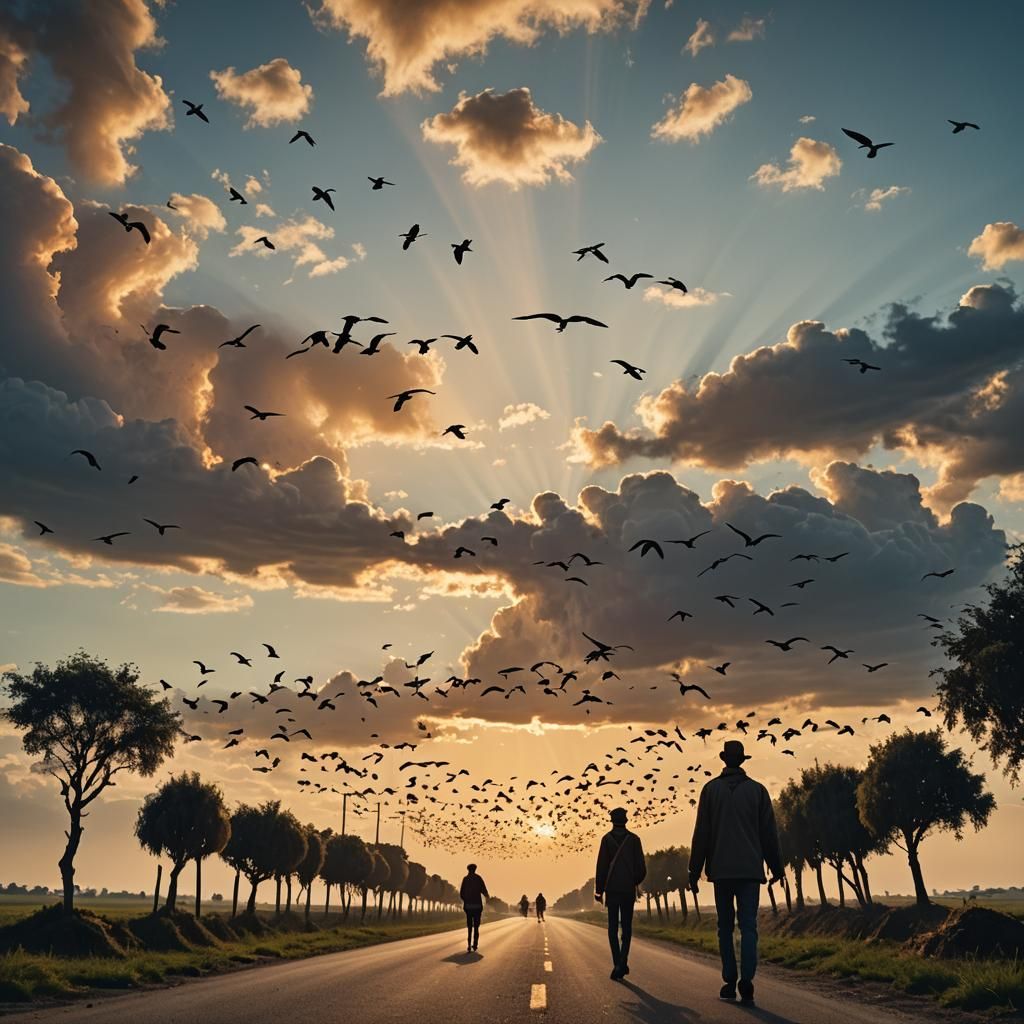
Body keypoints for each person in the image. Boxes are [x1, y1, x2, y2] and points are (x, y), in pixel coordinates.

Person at [688, 740, 784, 1005]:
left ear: (723, 759)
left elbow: (702, 835)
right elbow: (769, 836)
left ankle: (729, 980)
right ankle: (747, 980)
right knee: (749, 926)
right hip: (750, 871)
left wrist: (693, 871)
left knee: (725, 927)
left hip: (721, 871)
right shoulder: (758, 792)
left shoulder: (710, 791)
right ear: (742, 760)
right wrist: (777, 868)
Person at [594, 806, 646, 981]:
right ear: (626, 821)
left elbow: (601, 867)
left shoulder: (606, 840)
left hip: (612, 890)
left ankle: (618, 963)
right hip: (627, 891)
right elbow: (642, 869)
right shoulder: (634, 840)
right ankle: (623, 960)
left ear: (611, 821)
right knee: (627, 928)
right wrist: (633, 881)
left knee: (612, 928)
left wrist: (599, 890)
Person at [459, 863, 489, 952]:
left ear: (468, 870)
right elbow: (484, 890)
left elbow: (461, 893)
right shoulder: (478, 878)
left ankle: (468, 945)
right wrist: (487, 896)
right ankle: (475, 944)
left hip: (468, 907)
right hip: (477, 906)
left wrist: (466, 900)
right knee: (476, 926)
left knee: (469, 926)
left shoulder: (465, 879)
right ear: (475, 869)